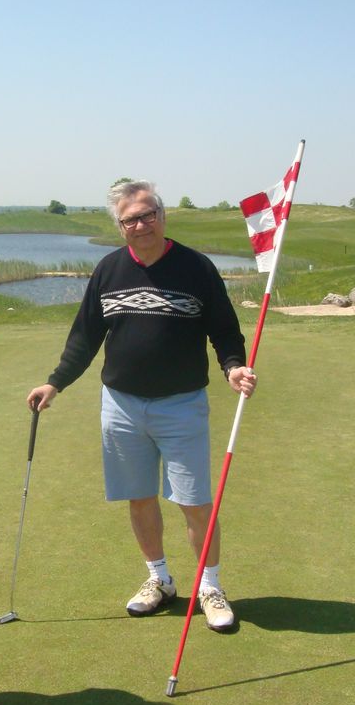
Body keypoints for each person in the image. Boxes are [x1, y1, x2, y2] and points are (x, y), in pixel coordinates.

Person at [27, 180, 256, 633]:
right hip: (121, 405)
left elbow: (225, 329)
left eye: (148, 214)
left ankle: (209, 587)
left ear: (162, 216)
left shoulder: (196, 267)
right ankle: (160, 579)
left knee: (195, 502)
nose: (141, 224)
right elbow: (85, 336)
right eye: (130, 219)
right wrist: (56, 382)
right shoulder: (109, 270)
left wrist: (233, 366)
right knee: (139, 497)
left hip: (182, 404)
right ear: (120, 226)